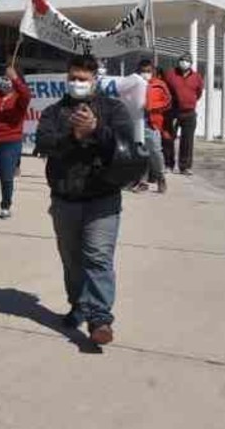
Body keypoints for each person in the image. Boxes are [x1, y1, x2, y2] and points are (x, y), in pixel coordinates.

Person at [35, 55, 146, 346]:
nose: (77, 83)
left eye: (83, 79)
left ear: (95, 79)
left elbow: (125, 144)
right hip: (65, 199)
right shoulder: (53, 112)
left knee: (97, 258)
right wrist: (73, 135)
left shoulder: (113, 109)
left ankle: (100, 319)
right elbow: (44, 144)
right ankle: (79, 305)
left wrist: (96, 130)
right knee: (72, 260)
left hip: (102, 199)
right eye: (73, 77)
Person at [0, 65, 32, 218]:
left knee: (6, 176)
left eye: (8, 78)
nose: (5, 81)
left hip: (10, 142)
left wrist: (15, 78)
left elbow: (26, 95)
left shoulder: (19, 98)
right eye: (4, 78)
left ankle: (6, 205)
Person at [134, 60, 171, 194]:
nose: (146, 74)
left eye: (148, 71)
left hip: (153, 122)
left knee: (155, 151)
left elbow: (167, 102)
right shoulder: (134, 84)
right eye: (143, 71)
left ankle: (160, 178)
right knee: (140, 152)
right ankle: (142, 182)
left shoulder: (159, 85)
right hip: (137, 122)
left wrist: (152, 107)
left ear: (153, 71)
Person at [163, 54, 203, 175]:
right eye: (182, 60)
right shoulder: (170, 74)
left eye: (186, 61)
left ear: (191, 63)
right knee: (169, 138)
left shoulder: (197, 77)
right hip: (174, 111)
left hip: (189, 113)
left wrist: (190, 101)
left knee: (187, 141)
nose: (184, 62)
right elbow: (164, 89)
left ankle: (185, 167)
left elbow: (199, 92)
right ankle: (168, 165)